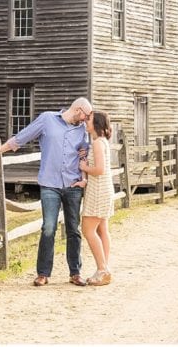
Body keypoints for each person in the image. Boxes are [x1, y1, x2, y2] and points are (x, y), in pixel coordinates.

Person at [0, 97, 92, 287]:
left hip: (73, 185)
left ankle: (75, 272)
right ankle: (43, 273)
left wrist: (84, 179)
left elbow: (86, 154)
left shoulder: (82, 130)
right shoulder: (47, 119)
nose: (86, 119)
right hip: (50, 184)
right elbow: (21, 138)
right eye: (86, 115)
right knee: (48, 227)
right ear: (78, 110)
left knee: (74, 229)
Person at [78, 110, 114, 286]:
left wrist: (84, 166)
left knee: (88, 230)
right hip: (103, 188)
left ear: (96, 124)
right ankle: (104, 269)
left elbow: (99, 170)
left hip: (98, 190)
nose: (86, 121)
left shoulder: (98, 144)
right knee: (102, 230)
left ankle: (102, 269)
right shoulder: (102, 142)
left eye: (89, 119)